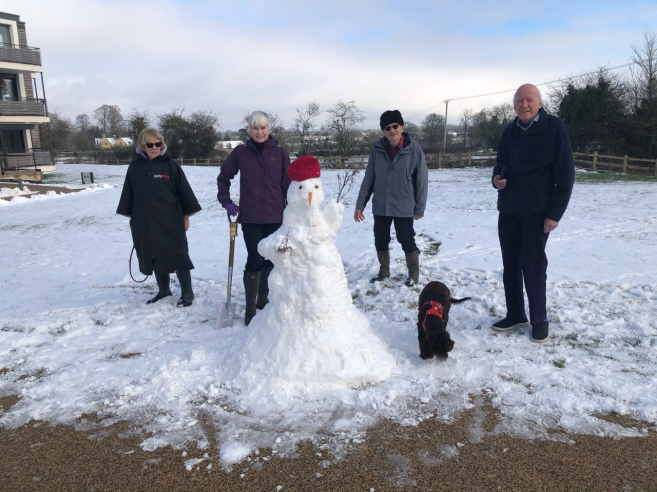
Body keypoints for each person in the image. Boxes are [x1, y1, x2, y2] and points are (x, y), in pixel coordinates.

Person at [491, 83, 575, 343]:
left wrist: (554, 214)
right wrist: (496, 179)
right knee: (510, 266)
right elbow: (499, 165)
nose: (524, 105)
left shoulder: (554, 128)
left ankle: (540, 319)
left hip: (537, 212)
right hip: (508, 210)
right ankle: (516, 314)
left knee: (533, 266)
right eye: (519, 101)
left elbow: (566, 174)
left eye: (529, 100)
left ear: (539, 103)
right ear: (514, 105)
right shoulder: (509, 131)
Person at [216, 111, 291, 325]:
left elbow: (288, 185)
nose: (259, 132)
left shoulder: (280, 152)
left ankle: (263, 298)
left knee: (270, 259)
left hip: (276, 216)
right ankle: (250, 310)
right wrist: (226, 200)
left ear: (269, 129)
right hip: (250, 217)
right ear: (250, 130)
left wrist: (294, 209)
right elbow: (224, 177)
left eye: (263, 127)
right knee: (255, 258)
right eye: (255, 128)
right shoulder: (241, 152)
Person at [117, 128, 202, 307]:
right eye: (150, 145)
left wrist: (186, 217)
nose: (155, 148)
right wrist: (134, 220)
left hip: (170, 220)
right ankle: (164, 290)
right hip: (144, 221)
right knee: (153, 254)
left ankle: (188, 291)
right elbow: (128, 195)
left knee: (178, 254)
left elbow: (185, 194)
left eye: (158, 144)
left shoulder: (171, 166)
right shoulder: (135, 167)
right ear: (143, 146)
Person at [354, 110, 428, 286]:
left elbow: (422, 180)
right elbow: (369, 179)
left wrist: (419, 208)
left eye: (395, 126)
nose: (392, 130)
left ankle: (413, 274)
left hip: (404, 205)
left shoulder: (414, 149)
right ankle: (384, 270)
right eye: (387, 128)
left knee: (405, 238)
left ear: (401, 127)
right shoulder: (377, 150)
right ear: (383, 131)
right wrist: (360, 205)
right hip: (381, 205)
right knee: (380, 238)